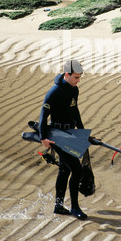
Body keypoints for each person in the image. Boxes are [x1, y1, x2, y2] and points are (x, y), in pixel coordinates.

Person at [39, 59, 88, 220]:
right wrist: (43, 138)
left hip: (70, 133)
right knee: (76, 168)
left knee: (65, 169)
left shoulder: (74, 90)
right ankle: (75, 207)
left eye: (80, 77)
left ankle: (58, 206)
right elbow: (43, 116)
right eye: (76, 77)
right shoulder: (55, 92)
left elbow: (75, 111)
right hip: (56, 136)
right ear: (67, 74)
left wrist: (83, 132)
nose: (78, 80)